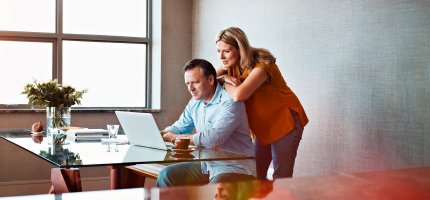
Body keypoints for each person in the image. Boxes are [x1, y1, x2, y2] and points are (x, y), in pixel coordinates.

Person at [215, 27, 309, 179]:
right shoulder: (229, 65)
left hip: (284, 120)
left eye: (226, 51)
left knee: (281, 177)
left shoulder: (263, 65)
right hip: (262, 126)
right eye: (218, 51)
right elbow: (208, 81)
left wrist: (225, 84)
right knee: (255, 174)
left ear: (240, 48)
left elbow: (239, 95)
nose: (221, 56)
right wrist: (224, 78)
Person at [157, 58, 256, 187]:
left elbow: (213, 138)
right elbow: (179, 127)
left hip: (234, 167)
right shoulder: (195, 102)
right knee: (166, 175)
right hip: (207, 164)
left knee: (212, 191)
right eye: (187, 83)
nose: (190, 88)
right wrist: (159, 133)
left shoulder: (230, 102)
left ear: (210, 80)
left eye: (195, 82)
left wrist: (175, 138)